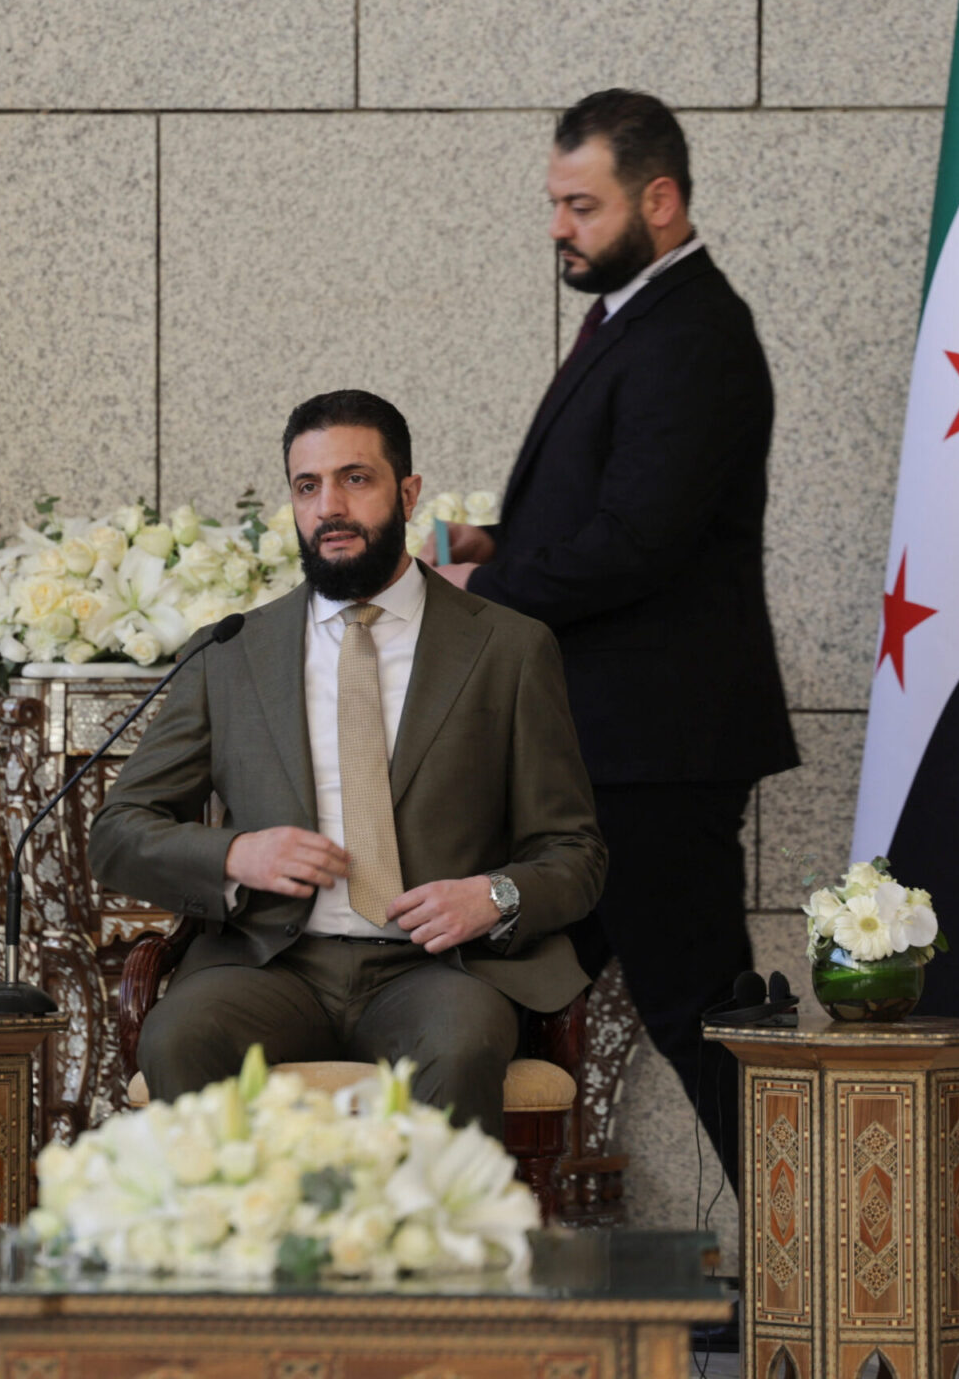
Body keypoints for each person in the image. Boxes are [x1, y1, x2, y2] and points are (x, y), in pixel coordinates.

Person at [430, 90, 800, 1180]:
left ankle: (817, 1251)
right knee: (495, 993)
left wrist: (476, 585)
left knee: (700, 1012)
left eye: (581, 206)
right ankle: (461, 1228)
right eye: (554, 203)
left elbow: (638, 543)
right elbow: (612, 519)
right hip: (605, 749)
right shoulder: (642, 317)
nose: (559, 227)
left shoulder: (692, 333)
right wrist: (491, 542)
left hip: (652, 755)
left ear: (660, 199)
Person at [89, 389, 606, 1138]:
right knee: (179, 1036)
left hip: (439, 972)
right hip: (270, 968)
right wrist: (236, 855)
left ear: (408, 493)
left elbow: (576, 852)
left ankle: (439, 1222)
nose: (329, 506)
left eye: (355, 479)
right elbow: (117, 832)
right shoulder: (231, 653)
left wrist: (493, 896)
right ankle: (236, 1220)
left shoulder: (509, 648)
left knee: (461, 1046)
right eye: (308, 486)